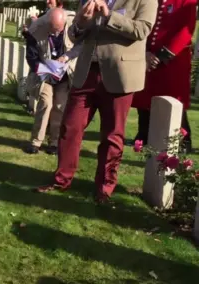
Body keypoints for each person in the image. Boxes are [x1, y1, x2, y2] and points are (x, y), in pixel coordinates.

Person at [37, 0, 157, 203]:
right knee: (70, 128)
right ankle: (61, 180)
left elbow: (142, 29)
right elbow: (74, 36)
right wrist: (81, 23)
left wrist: (109, 15)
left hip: (119, 74)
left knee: (112, 134)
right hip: (87, 72)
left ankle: (104, 189)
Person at [128, 0, 197, 153]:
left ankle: (182, 141)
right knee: (144, 98)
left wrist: (162, 55)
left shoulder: (186, 2)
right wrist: (144, 52)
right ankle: (143, 136)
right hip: (147, 58)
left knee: (174, 102)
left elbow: (186, 31)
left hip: (172, 61)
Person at [23, 8, 82, 155]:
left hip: (65, 73)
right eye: (52, 30)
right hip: (45, 74)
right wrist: (45, 69)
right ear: (47, 23)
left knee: (60, 107)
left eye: (59, 30)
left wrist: (67, 56)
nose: (55, 33)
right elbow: (31, 57)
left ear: (65, 23)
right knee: (45, 104)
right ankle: (36, 142)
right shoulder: (36, 30)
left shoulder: (74, 23)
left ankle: (54, 142)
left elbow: (82, 44)